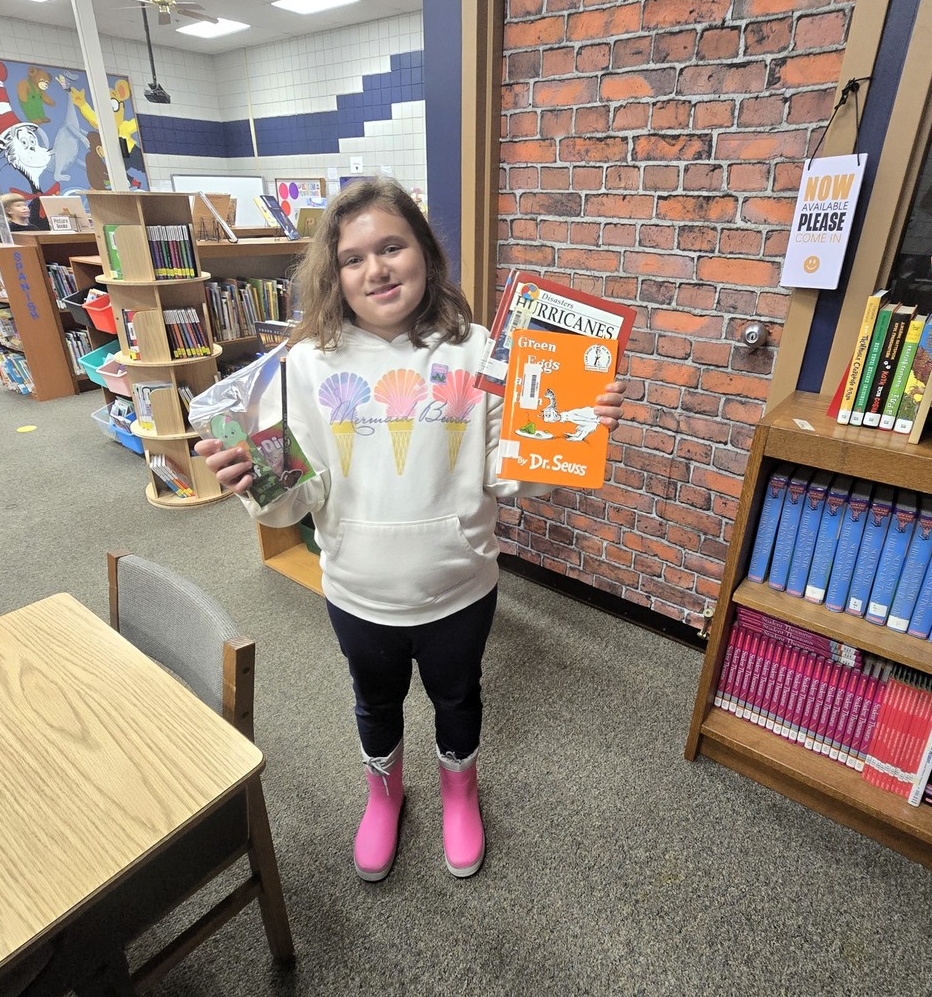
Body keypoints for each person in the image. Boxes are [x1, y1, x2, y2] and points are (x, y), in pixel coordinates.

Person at [196, 179, 627, 881]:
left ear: (424, 252)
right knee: (374, 702)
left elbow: (509, 471)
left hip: (459, 586)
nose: (376, 269)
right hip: (358, 590)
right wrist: (255, 487)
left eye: (392, 247)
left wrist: (574, 430)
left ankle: (459, 790)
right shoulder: (304, 366)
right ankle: (384, 793)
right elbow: (298, 497)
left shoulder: (479, 352)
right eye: (354, 258)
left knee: (458, 697)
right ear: (334, 274)